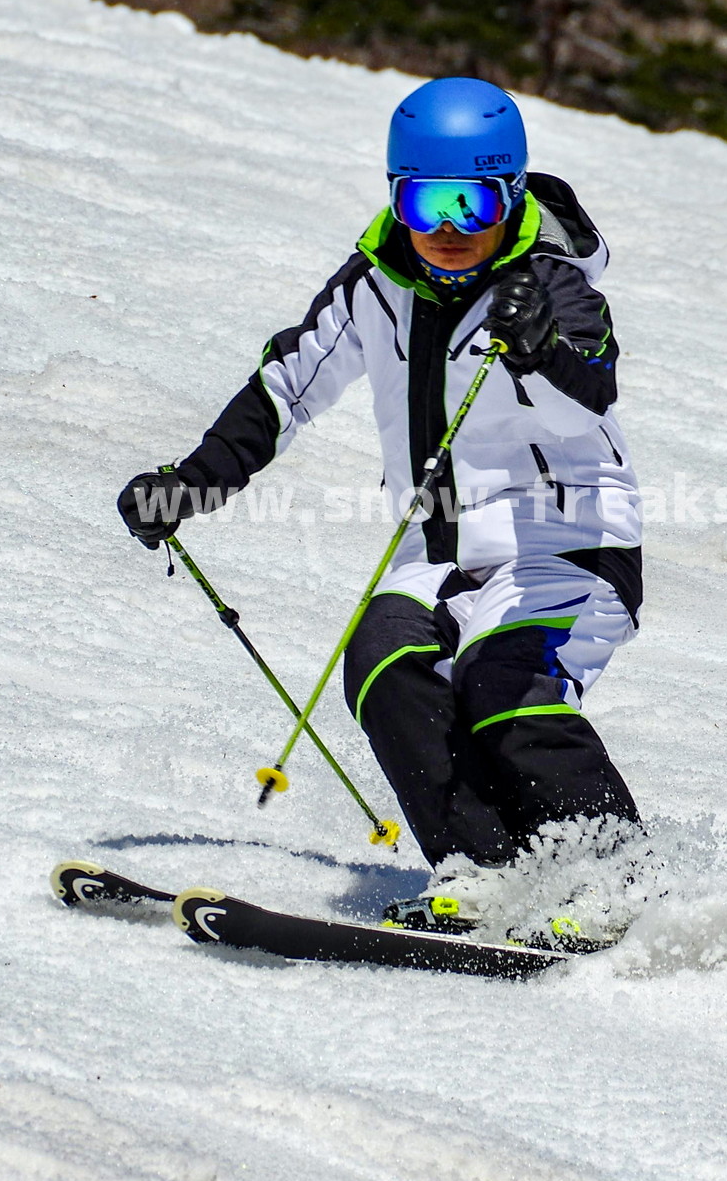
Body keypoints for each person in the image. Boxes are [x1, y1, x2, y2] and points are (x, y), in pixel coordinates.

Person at [118, 77, 644, 938]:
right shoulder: (377, 282)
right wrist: (193, 481)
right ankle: (484, 871)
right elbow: (286, 387)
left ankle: (618, 882)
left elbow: (593, 378)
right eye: (421, 200)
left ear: (509, 198)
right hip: (444, 555)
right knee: (383, 662)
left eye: (470, 205)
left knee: (506, 689)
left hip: (568, 550)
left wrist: (542, 338)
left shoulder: (551, 282)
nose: (445, 228)